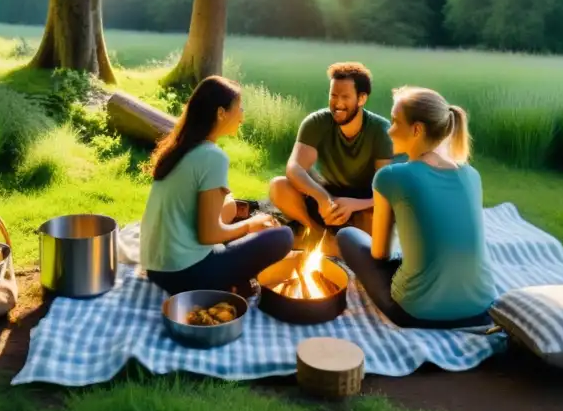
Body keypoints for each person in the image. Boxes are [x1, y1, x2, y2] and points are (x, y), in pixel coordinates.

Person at [336, 86, 497, 329]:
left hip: (416, 312)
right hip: (481, 309)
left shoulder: (392, 176)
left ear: (417, 129)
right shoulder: (472, 175)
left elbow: (380, 254)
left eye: (394, 121)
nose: (389, 130)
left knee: (348, 236)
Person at [140, 76, 294, 295]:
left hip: (157, 269)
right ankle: (226, 283)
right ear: (221, 113)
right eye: (239, 108)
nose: (242, 115)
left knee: (230, 207)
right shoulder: (213, 157)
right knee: (284, 237)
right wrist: (251, 225)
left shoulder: (180, 148)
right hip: (185, 274)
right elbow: (208, 235)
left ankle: (232, 282)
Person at [269, 62, 394, 255]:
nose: (337, 103)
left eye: (345, 97)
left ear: (362, 99)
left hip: (361, 203)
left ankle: (343, 242)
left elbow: (386, 189)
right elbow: (294, 168)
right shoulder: (316, 122)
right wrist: (322, 197)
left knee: (383, 214)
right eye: (333, 95)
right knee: (278, 186)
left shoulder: (381, 130)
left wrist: (354, 204)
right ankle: (318, 233)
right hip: (324, 196)